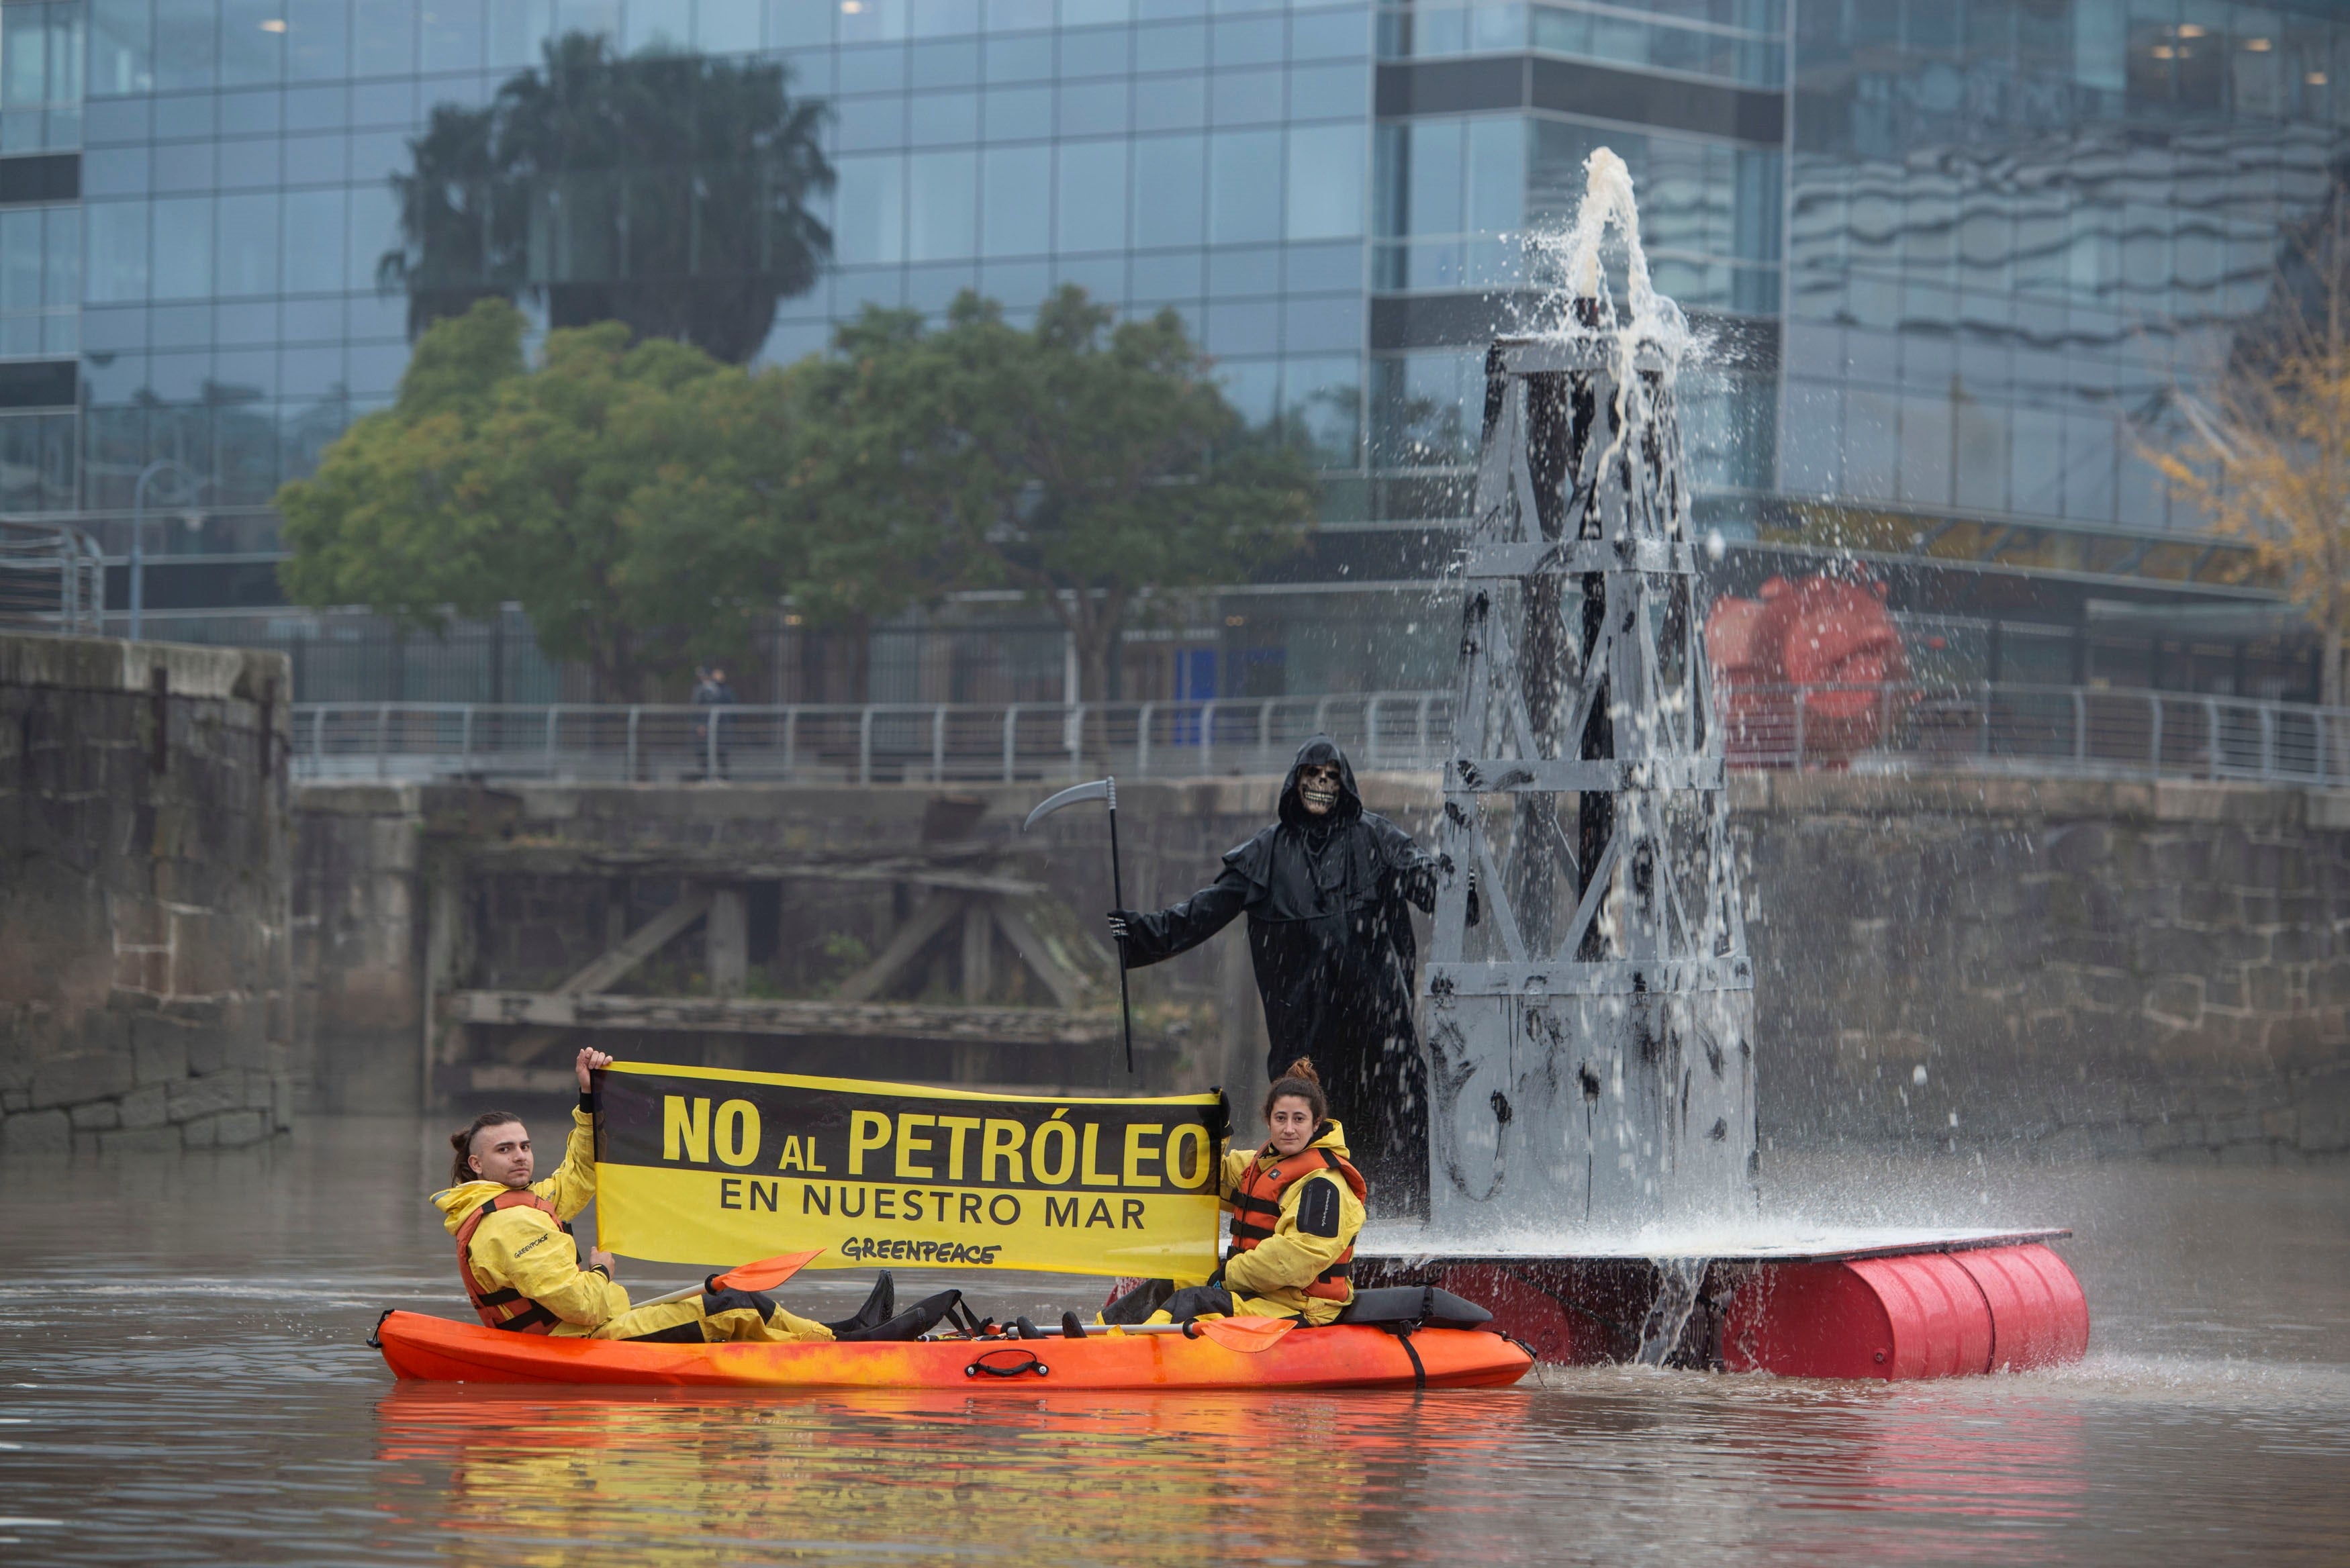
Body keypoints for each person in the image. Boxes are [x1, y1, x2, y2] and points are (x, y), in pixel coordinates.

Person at [1109, 734, 1436, 1214]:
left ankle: (1409, 1223)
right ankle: (1307, 1226)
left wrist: (1459, 879)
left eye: (1331, 777)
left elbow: (1432, 884)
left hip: (1380, 1026)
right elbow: (1203, 912)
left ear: (1344, 785)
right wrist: (1140, 933)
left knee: (1400, 1123)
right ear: (1295, 783)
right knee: (1305, 1129)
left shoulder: (1377, 838)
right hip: (1304, 1030)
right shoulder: (1265, 854)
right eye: (1312, 776)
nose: (1321, 785)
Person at [433, 1046, 941, 1343]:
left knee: (727, 1294)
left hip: (590, 1333)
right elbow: (585, 1305)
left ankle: (841, 1332)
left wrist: (590, 1098)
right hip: (585, 1342)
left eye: (524, 1145)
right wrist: (603, 1271)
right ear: (478, 1164)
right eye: (505, 1150)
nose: (520, 1156)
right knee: (729, 1305)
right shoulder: (509, 1224)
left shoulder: (515, 1205)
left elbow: (581, 1175)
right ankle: (847, 1344)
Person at [1101, 1059, 1367, 1327]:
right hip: (1258, 1292)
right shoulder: (1257, 1166)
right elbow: (1200, 1181)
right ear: (1268, 1121)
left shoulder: (1325, 1184)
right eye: (1281, 1118)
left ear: (1316, 1123)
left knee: (1193, 1303)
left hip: (1298, 1306)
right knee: (1169, 1283)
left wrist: (1227, 1277)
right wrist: (1212, 1134)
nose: (1289, 1129)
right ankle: (1094, 1333)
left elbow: (1296, 1259)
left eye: (1299, 1119)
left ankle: (1123, 1350)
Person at [690, 664, 738, 779]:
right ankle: (705, 777)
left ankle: (723, 778)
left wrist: (721, 683)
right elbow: (695, 709)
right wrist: (699, 725)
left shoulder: (722, 689)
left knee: (721, 753)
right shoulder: (699, 690)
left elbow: (730, 702)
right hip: (704, 728)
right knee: (703, 753)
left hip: (720, 727)